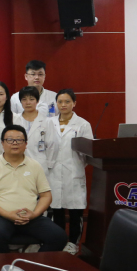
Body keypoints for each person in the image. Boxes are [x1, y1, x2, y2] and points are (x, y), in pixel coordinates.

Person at [0, 125, 67, 254]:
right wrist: (7, 214)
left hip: (30, 217)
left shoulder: (35, 165)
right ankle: (5, 265)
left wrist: (34, 214)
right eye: (10, 140)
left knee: (59, 236)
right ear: (2, 143)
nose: (15, 143)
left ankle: (34, 264)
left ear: (26, 144)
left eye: (19, 140)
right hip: (1, 216)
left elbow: (46, 196)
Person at [47, 89, 93, 255]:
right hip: (53, 173)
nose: (63, 105)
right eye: (60, 102)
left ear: (74, 103)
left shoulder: (83, 124)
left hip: (73, 173)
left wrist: (74, 165)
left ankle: (73, 243)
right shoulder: (49, 123)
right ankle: (58, 241)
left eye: (67, 101)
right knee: (56, 211)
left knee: (75, 211)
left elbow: (88, 152)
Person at [12, 86, 54, 174]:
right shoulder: (14, 120)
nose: (28, 103)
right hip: (18, 162)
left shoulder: (47, 121)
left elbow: (51, 145)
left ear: (37, 101)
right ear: (20, 101)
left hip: (40, 164)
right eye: (24, 99)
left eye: (31, 99)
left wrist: (49, 164)